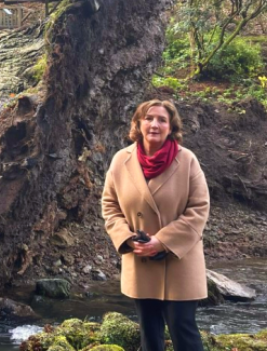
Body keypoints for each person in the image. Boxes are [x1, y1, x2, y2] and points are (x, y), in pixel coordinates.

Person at [101, 99, 210, 351]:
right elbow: (110, 205)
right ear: (138, 124)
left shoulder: (187, 160)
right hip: (140, 259)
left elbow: (199, 208)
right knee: (149, 335)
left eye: (162, 120)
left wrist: (162, 241)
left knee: (183, 330)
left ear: (171, 127)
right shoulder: (121, 160)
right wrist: (129, 240)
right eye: (148, 118)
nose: (154, 124)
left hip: (180, 259)